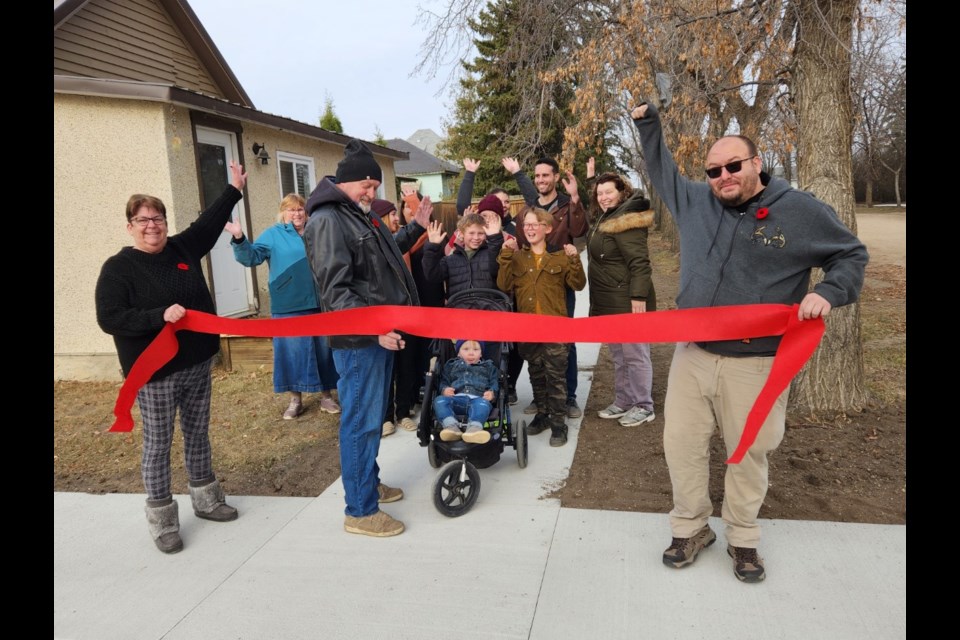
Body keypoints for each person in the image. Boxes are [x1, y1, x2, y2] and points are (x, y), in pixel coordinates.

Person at [631, 102, 869, 582]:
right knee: (682, 445)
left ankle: (743, 539)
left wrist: (827, 291)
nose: (723, 176)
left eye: (733, 166)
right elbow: (661, 170)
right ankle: (691, 527)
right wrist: (648, 124)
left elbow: (851, 255)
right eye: (714, 170)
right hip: (693, 355)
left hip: (756, 363)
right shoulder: (696, 202)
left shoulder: (799, 211)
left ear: (756, 164)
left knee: (747, 452)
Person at [94, 160, 247, 554]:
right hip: (156, 372)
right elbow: (109, 317)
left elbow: (208, 226)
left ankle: (207, 500)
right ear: (130, 225)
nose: (152, 226)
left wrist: (234, 189)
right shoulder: (118, 268)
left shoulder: (181, 248)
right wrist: (157, 316)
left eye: (158, 218)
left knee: (198, 433)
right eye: (143, 220)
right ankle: (162, 520)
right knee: (158, 443)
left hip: (197, 363)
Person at [303, 140, 432, 538]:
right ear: (346, 182)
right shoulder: (328, 220)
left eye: (375, 187)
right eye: (367, 185)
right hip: (360, 342)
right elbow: (336, 291)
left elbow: (385, 256)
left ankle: (367, 483)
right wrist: (375, 329)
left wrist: (417, 228)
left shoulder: (356, 215)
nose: (372, 194)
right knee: (360, 422)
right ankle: (360, 510)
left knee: (370, 420)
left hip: (378, 337)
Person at [224, 194, 340, 420]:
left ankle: (326, 396)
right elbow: (251, 258)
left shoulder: (316, 230)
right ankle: (295, 400)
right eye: (291, 210)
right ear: (283, 212)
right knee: (291, 353)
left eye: (300, 209)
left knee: (324, 350)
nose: (296, 214)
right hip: (288, 304)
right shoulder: (273, 234)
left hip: (320, 303)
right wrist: (239, 238)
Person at [497, 207, 586, 447]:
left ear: (547, 229)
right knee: (536, 374)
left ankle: (558, 424)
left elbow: (577, 285)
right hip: (528, 329)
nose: (530, 228)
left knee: (556, 377)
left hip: (555, 329)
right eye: (526, 225)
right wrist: (505, 256)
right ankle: (543, 415)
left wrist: (574, 259)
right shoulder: (517, 258)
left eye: (535, 224)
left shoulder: (559, 257)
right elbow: (504, 285)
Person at [513, 157, 588, 420]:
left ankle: (568, 398)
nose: (541, 180)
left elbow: (579, 230)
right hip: (536, 278)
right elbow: (521, 237)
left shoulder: (567, 205)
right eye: (538, 176)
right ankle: (541, 396)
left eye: (546, 175)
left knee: (564, 340)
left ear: (556, 177)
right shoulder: (528, 210)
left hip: (560, 279)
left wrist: (576, 198)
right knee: (537, 342)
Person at [585, 173, 657, 428]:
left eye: (609, 192)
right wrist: (588, 181)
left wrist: (638, 296)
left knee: (636, 354)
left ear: (622, 192)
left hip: (627, 300)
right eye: (599, 193)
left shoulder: (626, 220)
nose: (603, 197)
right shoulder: (607, 216)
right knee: (619, 355)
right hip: (609, 300)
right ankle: (624, 400)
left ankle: (643, 405)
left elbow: (640, 262)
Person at [371, 198, 421, 437]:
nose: (397, 219)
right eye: (391, 215)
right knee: (387, 368)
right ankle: (385, 418)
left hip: (406, 314)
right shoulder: (377, 246)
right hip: (385, 317)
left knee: (406, 365)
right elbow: (401, 241)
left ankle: (403, 413)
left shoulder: (393, 240)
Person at [422, 208, 505, 300]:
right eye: (471, 233)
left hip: (487, 307)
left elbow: (497, 270)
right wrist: (432, 247)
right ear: (461, 234)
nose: (476, 237)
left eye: (481, 233)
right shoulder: (450, 260)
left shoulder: (491, 254)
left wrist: (495, 239)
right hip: (459, 308)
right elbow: (432, 276)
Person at [434, 339, 499, 445]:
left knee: (483, 405)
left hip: (478, 399)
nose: (471, 353)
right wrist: (444, 390)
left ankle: (474, 429)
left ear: (481, 353)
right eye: (466, 349)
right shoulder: (451, 365)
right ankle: (451, 427)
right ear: (458, 352)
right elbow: (444, 381)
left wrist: (492, 392)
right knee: (439, 401)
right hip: (455, 399)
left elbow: (494, 382)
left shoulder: (488, 366)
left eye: (476, 349)